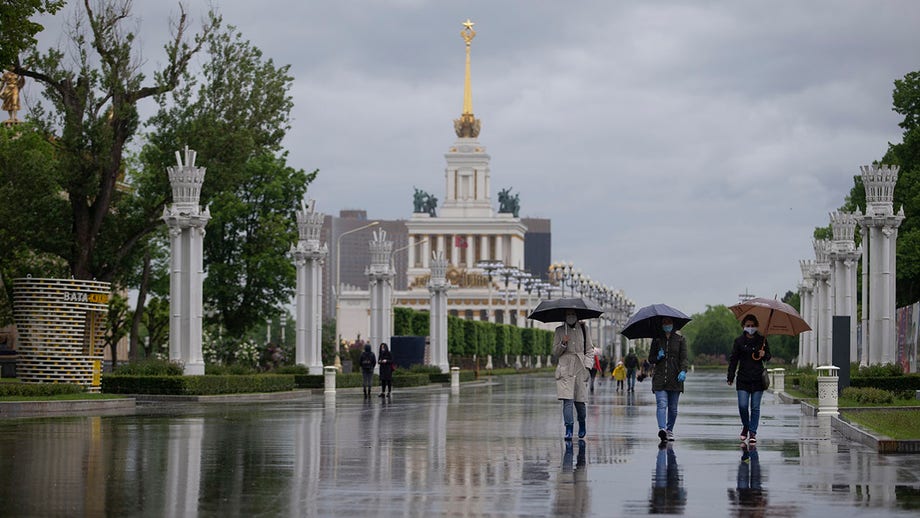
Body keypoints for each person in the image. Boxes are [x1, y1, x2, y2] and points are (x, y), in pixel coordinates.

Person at [727, 314, 772, 444]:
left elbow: (768, 357)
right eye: (748, 326)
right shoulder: (739, 341)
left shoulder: (762, 340)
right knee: (743, 405)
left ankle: (752, 432)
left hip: (758, 378)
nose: (750, 328)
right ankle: (746, 426)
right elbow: (733, 360)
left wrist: (765, 354)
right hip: (743, 378)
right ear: (743, 326)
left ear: (756, 326)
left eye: (753, 326)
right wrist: (730, 376)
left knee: (755, 407)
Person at [553, 309, 595, 440]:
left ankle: (582, 424)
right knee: (567, 400)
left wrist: (587, 367)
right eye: (568, 314)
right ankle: (569, 428)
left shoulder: (584, 329)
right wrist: (563, 343)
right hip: (565, 368)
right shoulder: (559, 330)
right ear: (565, 316)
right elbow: (555, 351)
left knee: (580, 402)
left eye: (573, 314)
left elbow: (589, 349)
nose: (570, 316)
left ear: (577, 315)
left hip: (580, 367)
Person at [647, 316, 689, 442]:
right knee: (661, 404)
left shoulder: (680, 340)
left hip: (675, 378)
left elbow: (684, 358)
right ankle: (662, 429)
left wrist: (683, 370)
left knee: (673, 408)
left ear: (673, 324)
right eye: (664, 322)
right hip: (660, 378)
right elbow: (651, 358)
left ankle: (670, 429)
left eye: (669, 322)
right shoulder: (657, 340)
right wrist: (658, 357)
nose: (667, 324)